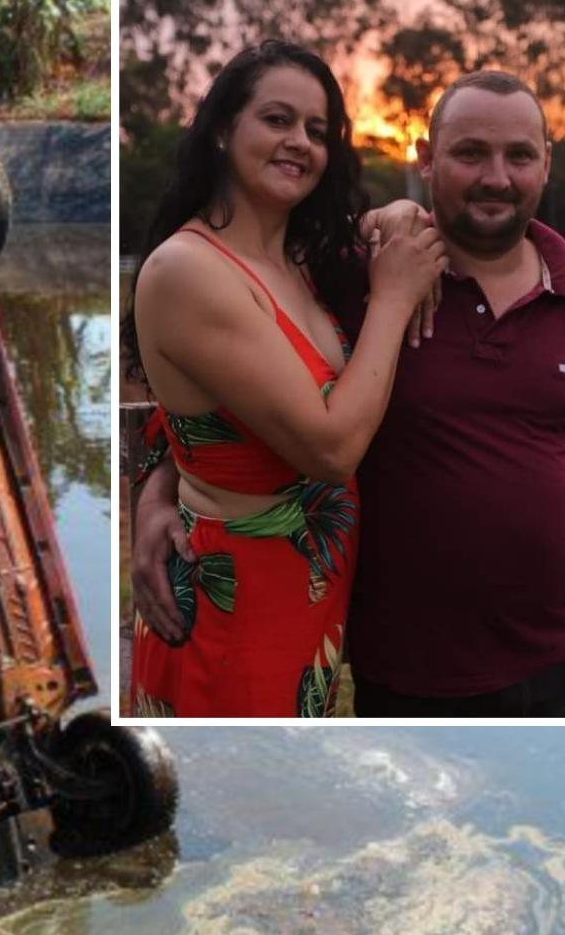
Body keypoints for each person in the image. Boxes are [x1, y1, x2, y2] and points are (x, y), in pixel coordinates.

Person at [131, 69, 565, 718]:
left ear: (545, 164)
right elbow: (213, 382)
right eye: (468, 153)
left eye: (518, 155)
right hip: (401, 674)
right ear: (425, 160)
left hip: (558, 662)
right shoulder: (353, 278)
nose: (496, 177)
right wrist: (159, 489)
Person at [124, 40, 445, 718]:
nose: (298, 142)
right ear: (220, 130)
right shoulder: (188, 271)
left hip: (303, 605)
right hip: (233, 612)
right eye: (276, 120)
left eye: (317, 130)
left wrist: (391, 215)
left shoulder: (294, 256)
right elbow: (329, 451)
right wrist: (390, 299)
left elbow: (206, 409)